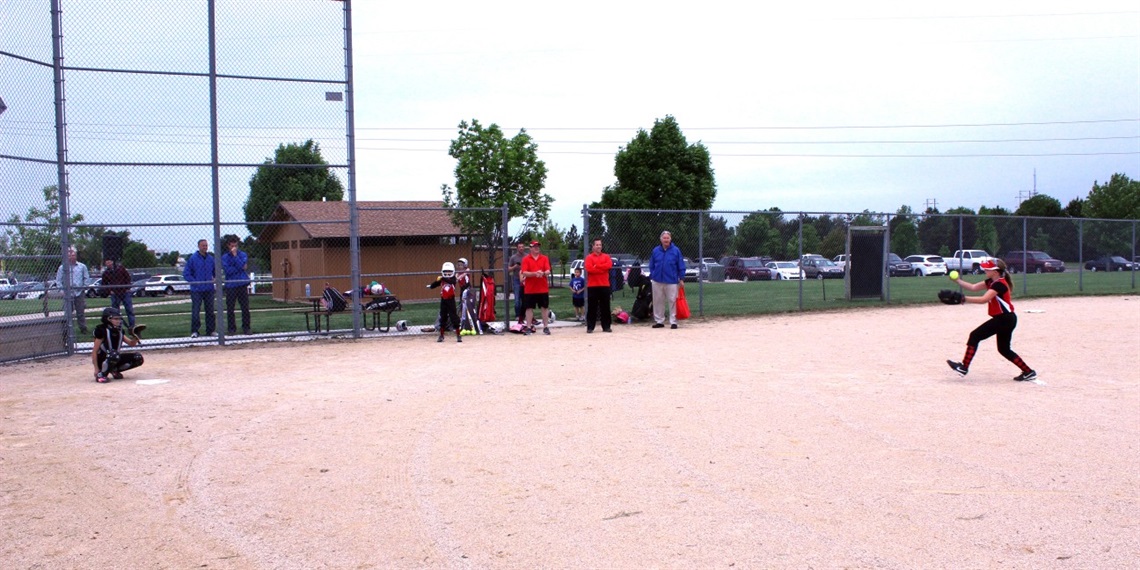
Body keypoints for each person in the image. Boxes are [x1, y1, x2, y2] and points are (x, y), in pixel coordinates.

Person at [946, 259, 1038, 381]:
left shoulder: (999, 284)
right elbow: (973, 287)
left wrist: (963, 299)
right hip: (1007, 319)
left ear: (995, 272)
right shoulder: (991, 281)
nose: (985, 270)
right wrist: (957, 280)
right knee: (1004, 349)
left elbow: (984, 299)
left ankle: (964, 367)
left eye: (988, 269)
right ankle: (1028, 372)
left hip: (1004, 319)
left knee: (975, 336)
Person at [91, 307, 143, 383]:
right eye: (115, 319)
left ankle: (114, 370)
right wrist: (96, 369)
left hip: (114, 357)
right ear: (108, 319)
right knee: (114, 355)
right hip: (102, 359)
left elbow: (131, 344)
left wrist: (136, 336)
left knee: (138, 357)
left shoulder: (119, 331)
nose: (118, 321)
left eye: (119, 319)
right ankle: (101, 375)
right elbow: (94, 351)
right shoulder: (102, 330)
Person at [647, 230, 686, 329]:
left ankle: (673, 321)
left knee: (672, 300)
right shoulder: (656, 250)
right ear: (661, 239)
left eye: (667, 238)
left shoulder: (676, 250)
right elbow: (651, 264)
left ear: (670, 239)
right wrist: (653, 274)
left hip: (671, 280)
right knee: (658, 301)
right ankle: (659, 321)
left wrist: (681, 278)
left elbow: (680, 265)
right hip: (657, 280)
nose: (666, 240)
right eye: (664, 238)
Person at [183, 238, 216, 338]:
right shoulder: (193, 258)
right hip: (197, 290)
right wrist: (195, 282)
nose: (205, 247)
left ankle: (210, 331)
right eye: (203, 245)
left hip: (209, 289)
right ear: (199, 246)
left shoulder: (211, 258)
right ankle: (195, 331)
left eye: (206, 245)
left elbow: (215, 272)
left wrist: (215, 278)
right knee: (196, 311)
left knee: (210, 311)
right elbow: (186, 274)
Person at [520, 240, 553, 335]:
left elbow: (548, 271)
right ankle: (529, 327)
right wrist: (535, 273)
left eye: (538, 246)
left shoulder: (544, 258)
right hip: (530, 289)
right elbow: (524, 272)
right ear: (530, 248)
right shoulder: (526, 259)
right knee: (529, 308)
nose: (536, 248)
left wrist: (542, 273)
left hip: (542, 288)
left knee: (544, 307)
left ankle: (546, 327)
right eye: (534, 246)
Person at [55, 246, 90, 334]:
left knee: (80, 312)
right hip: (67, 293)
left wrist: (84, 288)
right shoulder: (62, 267)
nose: (72, 257)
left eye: (73, 255)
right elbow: (58, 281)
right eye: (70, 255)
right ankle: (67, 330)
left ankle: (83, 328)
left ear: (76, 256)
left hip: (79, 292)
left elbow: (86, 279)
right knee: (68, 313)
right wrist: (61, 291)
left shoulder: (82, 266)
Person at [221, 236, 252, 335]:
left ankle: (246, 328)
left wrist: (235, 256)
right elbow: (228, 271)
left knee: (245, 307)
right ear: (228, 246)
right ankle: (231, 329)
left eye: (236, 245)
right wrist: (240, 267)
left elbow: (242, 266)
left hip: (242, 284)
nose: (234, 247)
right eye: (232, 246)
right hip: (231, 285)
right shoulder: (225, 257)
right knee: (230, 308)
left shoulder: (242, 254)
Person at [427, 262, 462, 343]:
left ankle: (458, 335)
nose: (447, 273)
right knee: (443, 317)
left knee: (454, 317)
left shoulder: (453, 279)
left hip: (451, 300)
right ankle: (441, 335)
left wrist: (442, 278)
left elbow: (451, 282)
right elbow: (436, 283)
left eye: (449, 272)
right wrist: (431, 286)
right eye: (445, 272)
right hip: (443, 300)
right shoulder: (442, 279)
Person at [584, 238, 613, 333]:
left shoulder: (606, 256)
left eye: (600, 245)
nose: (598, 246)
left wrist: (596, 266)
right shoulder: (589, 258)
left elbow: (608, 266)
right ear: (593, 246)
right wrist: (601, 267)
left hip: (604, 285)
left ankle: (606, 326)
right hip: (593, 286)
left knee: (605, 306)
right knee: (592, 307)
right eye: (596, 245)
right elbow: (589, 269)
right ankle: (590, 327)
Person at [101, 258, 137, 331]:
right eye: (106, 262)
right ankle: (118, 327)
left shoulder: (121, 269)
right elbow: (104, 284)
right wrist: (109, 291)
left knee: (129, 310)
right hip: (115, 294)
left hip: (124, 292)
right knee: (115, 312)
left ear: (112, 262)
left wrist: (127, 288)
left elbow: (128, 278)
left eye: (109, 261)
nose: (108, 263)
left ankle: (132, 327)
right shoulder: (106, 273)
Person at [507, 241, 526, 322]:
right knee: (517, 299)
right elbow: (508, 269)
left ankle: (524, 315)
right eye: (519, 247)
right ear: (517, 248)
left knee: (525, 298)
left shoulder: (527, 256)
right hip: (517, 280)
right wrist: (515, 266)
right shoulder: (513, 257)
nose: (521, 248)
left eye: (522, 247)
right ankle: (517, 315)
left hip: (526, 279)